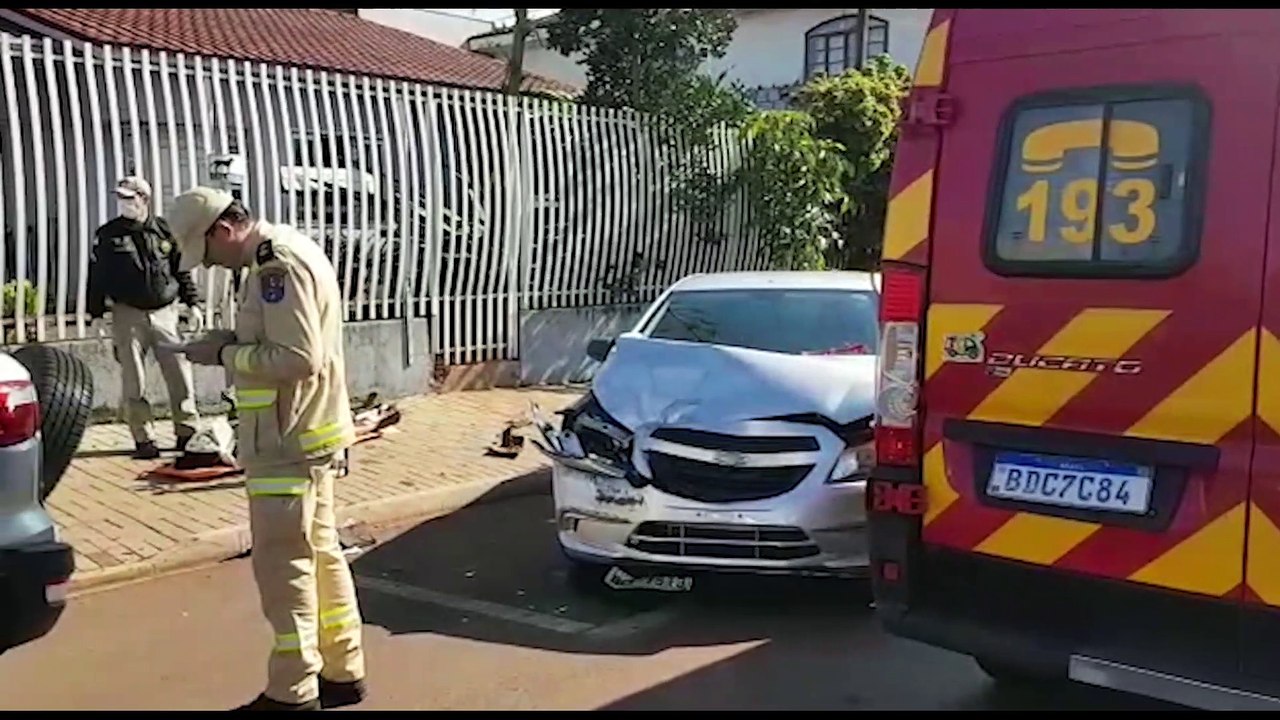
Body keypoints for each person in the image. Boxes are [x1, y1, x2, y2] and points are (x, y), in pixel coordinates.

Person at [167, 187, 366, 712]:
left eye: (207, 253)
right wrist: (226, 340)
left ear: (221, 229)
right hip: (304, 435)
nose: (211, 264)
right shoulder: (283, 253)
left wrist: (225, 353)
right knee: (319, 554)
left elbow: (299, 357)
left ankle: (293, 690)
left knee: (284, 566)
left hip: (285, 439)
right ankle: (343, 672)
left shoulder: (274, 266)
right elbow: (287, 340)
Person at [87, 176, 203, 459]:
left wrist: (192, 303)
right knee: (133, 379)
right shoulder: (108, 235)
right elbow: (97, 275)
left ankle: (186, 433)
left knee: (179, 375)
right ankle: (144, 439)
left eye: (130, 198)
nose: (125, 203)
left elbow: (181, 267)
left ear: (144, 199)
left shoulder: (164, 230)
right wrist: (96, 313)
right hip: (128, 314)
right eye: (121, 198)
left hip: (165, 312)